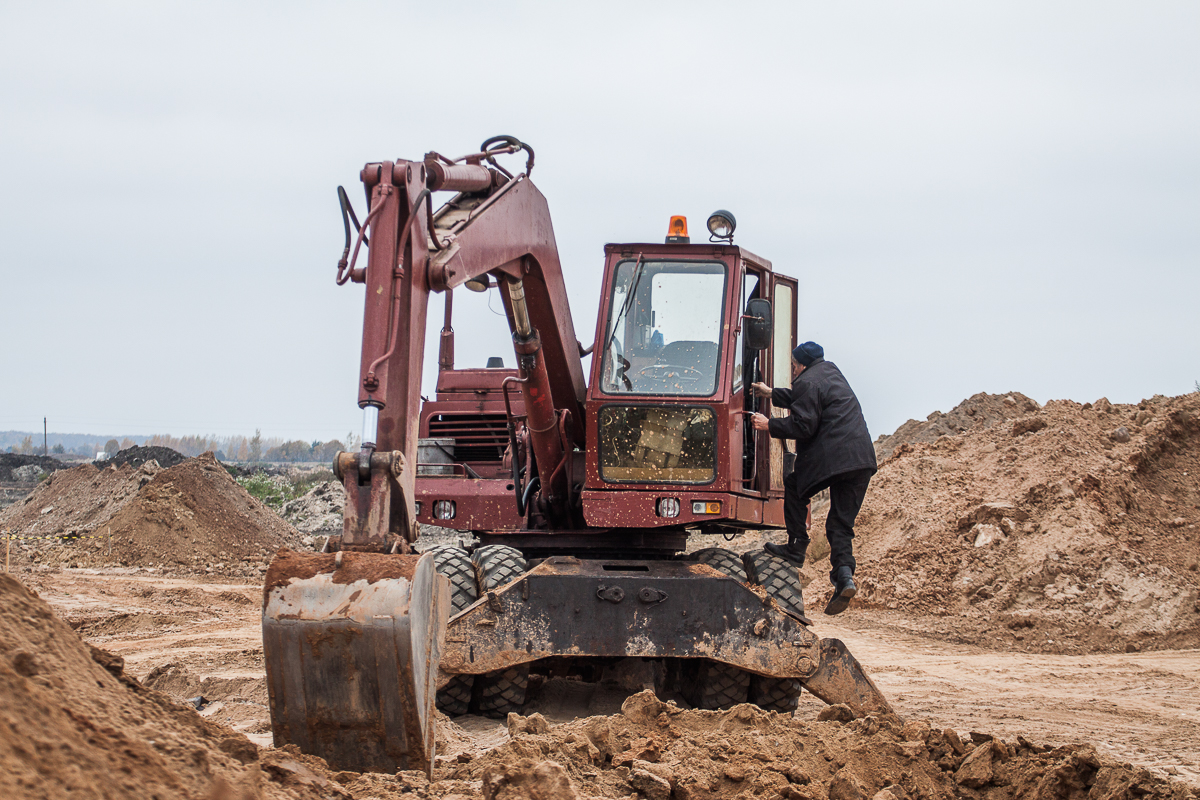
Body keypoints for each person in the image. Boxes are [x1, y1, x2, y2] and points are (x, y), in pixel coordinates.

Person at [749, 342, 877, 615]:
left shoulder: (806, 381)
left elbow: (803, 425)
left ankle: (796, 548)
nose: (792, 369)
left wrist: (768, 424)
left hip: (834, 457)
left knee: (795, 487)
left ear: (801, 364)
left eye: (793, 365)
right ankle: (844, 577)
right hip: (861, 458)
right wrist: (771, 393)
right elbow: (805, 396)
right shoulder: (830, 372)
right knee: (840, 524)